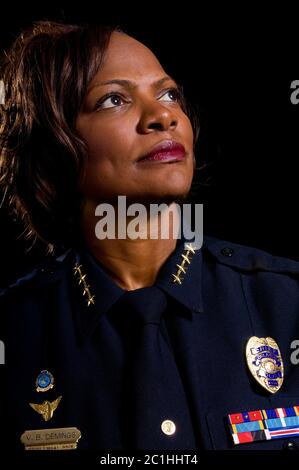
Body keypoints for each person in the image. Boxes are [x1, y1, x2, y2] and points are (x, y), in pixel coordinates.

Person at [1, 20, 299, 454]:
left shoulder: (287, 302)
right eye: (114, 99)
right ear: (54, 146)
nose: (164, 116)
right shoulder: (14, 330)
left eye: (168, 93)